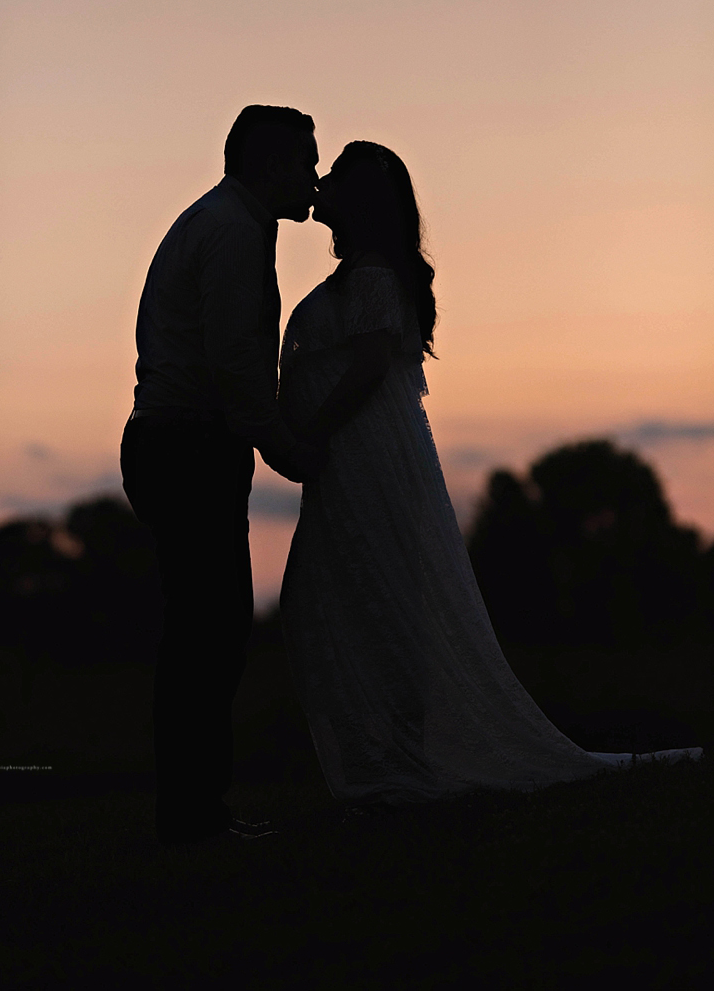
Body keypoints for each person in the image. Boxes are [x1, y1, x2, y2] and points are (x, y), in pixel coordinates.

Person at [277, 140, 701, 804]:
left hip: (363, 464)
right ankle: (376, 753)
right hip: (353, 465)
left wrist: (308, 432)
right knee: (339, 595)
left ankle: (390, 757)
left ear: (359, 200)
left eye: (335, 175)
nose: (320, 181)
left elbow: (366, 369)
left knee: (353, 594)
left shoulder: (372, 278)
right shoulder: (367, 273)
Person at [121, 104, 326, 846]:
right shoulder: (236, 234)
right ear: (270, 166)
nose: (314, 177)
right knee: (210, 634)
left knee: (202, 632)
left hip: (171, 443)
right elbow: (239, 375)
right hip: (189, 448)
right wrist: (294, 454)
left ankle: (191, 811)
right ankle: (193, 817)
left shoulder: (215, 222)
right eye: (306, 162)